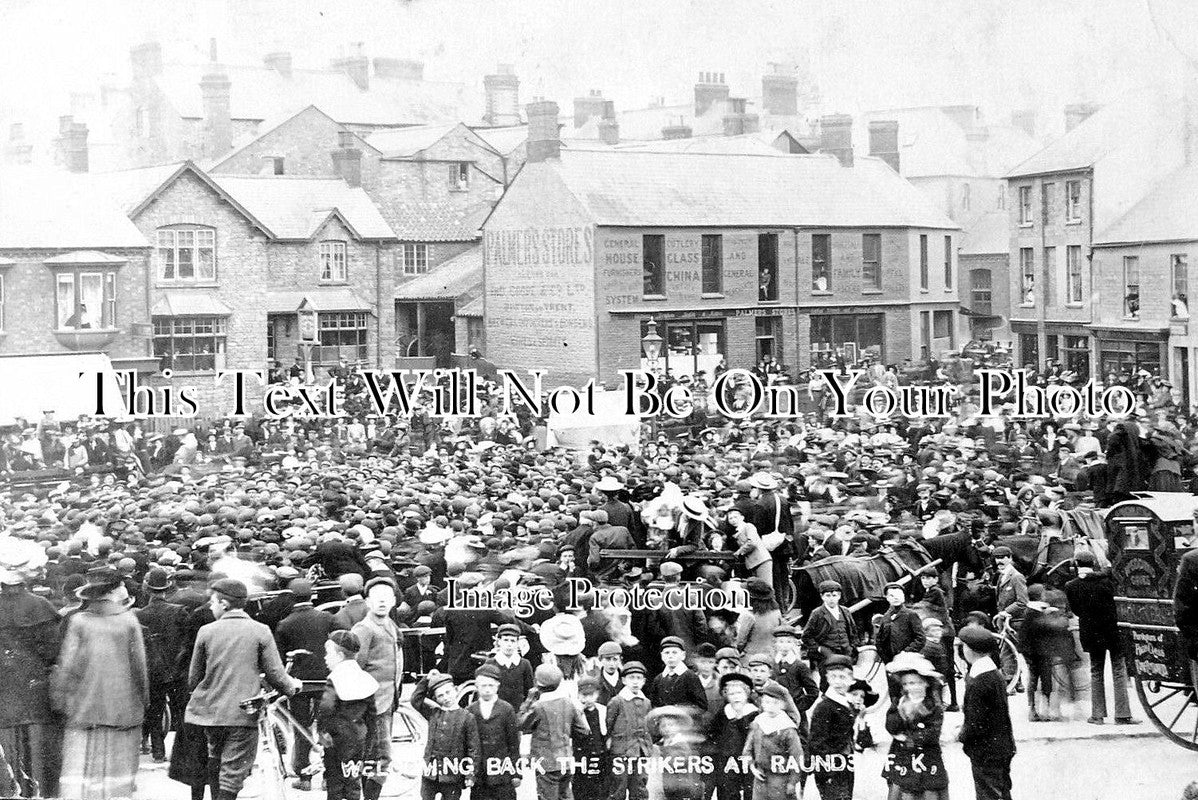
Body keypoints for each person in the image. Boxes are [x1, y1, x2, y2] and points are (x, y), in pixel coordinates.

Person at [185, 578, 301, 800]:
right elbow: (276, 674)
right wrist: (292, 688)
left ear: (224, 604)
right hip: (242, 712)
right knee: (232, 773)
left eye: (213, 602)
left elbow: (193, 679)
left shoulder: (206, 631)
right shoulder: (260, 631)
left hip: (210, 714)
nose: (211, 606)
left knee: (215, 758)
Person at [52, 567, 149, 800]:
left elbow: (68, 665)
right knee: (118, 770)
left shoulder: (78, 622)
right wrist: (144, 699)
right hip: (123, 706)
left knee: (84, 767)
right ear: (114, 591)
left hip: (85, 705)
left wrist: (60, 698)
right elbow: (140, 666)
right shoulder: (128, 621)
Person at [0, 560, 63, 798]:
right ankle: (42, 791)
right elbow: (53, 651)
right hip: (35, 684)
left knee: (6, 738)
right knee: (39, 742)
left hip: (4, 685)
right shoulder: (41, 606)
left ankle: (10, 789)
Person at [275, 577, 337, 789]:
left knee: (302, 728)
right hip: (325, 681)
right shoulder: (327, 618)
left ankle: (304, 777)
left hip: (299, 684)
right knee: (327, 728)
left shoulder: (284, 624)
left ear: (291, 599)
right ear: (313, 596)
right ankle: (330, 776)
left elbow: (281, 658)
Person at [1065, 552, 1139, 725]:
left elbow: (1075, 610)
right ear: (1093, 563)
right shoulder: (1106, 581)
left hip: (1090, 632)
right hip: (1112, 630)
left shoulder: (1071, 585)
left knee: (1096, 671)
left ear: (1076, 563)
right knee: (1119, 671)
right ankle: (1122, 714)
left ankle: (1097, 715)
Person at [352, 577, 402, 800]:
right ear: (368, 602)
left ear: (393, 601)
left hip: (388, 700)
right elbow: (355, 667)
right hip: (372, 703)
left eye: (386, 598)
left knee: (376, 755)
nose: (382, 602)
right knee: (380, 756)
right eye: (376, 599)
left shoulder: (390, 624)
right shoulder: (364, 628)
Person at [317, 630, 379, 800]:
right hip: (359, 738)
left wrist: (322, 732)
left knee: (335, 783)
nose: (325, 658)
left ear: (339, 655)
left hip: (336, 740)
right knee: (353, 781)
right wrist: (370, 738)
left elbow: (326, 708)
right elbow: (372, 714)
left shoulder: (335, 678)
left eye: (328, 654)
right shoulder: (364, 678)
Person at [136, 567, 188, 763]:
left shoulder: (139, 615)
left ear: (147, 590)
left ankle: (158, 752)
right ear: (167, 588)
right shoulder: (179, 612)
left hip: (153, 670)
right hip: (177, 669)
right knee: (180, 711)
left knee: (154, 712)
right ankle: (182, 754)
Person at [958, 626, 1015, 800]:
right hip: (1001, 746)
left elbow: (976, 722)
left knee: (988, 794)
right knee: (1002, 791)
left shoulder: (979, 681)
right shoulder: (994, 673)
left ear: (969, 649)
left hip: (985, 751)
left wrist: (961, 735)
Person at [881, 652, 948, 800]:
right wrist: (897, 711)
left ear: (926, 683)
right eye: (905, 684)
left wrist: (909, 739)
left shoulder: (933, 706)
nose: (909, 687)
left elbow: (932, 732)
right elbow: (891, 726)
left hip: (926, 756)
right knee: (902, 788)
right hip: (902, 755)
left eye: (914, 683)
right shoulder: (899, 702)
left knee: (928, 789)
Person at [519, 664, 589, 800]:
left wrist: (528, 700)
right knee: (565, 795)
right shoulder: (568, 702)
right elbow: (583, 730)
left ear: (538, 683)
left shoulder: (538, 707)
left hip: (546, 762)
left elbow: (522, 724)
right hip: (566, 759)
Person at [411, 672, 481, 800]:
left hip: (453, 773)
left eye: (448, 692)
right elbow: (416, 699)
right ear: (436, 699)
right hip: (430, 773)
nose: (446, 698)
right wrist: (426, 680)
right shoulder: (433, 713)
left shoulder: (467, 717)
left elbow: (474, 748)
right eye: (440, 696)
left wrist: (470, 774)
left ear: (455, 690)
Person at [806, 655, 857, 800]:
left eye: (842, 677)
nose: (838, 682)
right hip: (830, 767)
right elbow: (817, 742)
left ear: (850, 678)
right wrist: (827, 770)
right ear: (827, 679)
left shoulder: (847, 702)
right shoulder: (824, 707)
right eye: (833, 677)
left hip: (845, 762)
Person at [468, 664, 521, 800]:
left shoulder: (506, 709)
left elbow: (514, 743)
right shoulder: (470, 711)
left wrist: (516, 773)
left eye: (491, 685)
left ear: (497, 686)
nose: (487, 690)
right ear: (476, 686)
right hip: (480, 773)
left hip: (502, 771)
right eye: (483, 686)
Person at [743, 682, 803, 800]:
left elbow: (796, 756)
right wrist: (752, 768)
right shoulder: (758, 723)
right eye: (766, 702)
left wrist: (792, 782)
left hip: (781, 778)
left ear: (782, 705)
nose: (770, 706)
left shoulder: (787, 728)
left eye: (775, 703)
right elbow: (747, 749)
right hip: (760, 777)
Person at [607, 661, 653, 800]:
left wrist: (648, 748)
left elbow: (649, 727)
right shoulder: (617, 701)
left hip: (641, 752)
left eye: (639, 678)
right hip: (621, 752)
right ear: (624, 680)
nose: (635, 682)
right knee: (618, 787)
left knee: (639, 787)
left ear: (644, 681)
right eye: (631, 678)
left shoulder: (646, 702)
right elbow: (608, 725)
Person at [875, 583, 926, 701]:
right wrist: (886, 659)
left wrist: (905, 653)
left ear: (903, 596)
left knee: (909, 695)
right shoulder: (886, 617)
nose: (896, 598)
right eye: (891, 595)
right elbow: (879, 640)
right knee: (894, 695)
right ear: (887, 598)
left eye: (898, 594)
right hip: (891, 663)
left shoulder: (910, 615)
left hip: (908, 663)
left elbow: (920, 638)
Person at [802, 580, 858, 684]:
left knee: (846, 681)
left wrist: (852, 647)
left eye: (834, 595)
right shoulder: (817, 613)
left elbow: (853, 631)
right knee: (828, 682)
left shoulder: (845, 611)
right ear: (822, 597)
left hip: (845, 653)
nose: (831, 599)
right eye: (828, 595)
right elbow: (806, 636)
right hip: (826, 655)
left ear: (839, 596)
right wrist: (819, 649)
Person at [649, 636, 709, 711]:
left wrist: (679, 711)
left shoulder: (690, 677)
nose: (670, 656)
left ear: (683, 655)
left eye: (674, 652)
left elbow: (702, 706)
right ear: (662, 656)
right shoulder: (658, 679)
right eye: (667, 653)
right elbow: (654, 705)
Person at [487, 622, 535, 711]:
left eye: (512, 641)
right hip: (497, 711)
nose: (509, 644)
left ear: (517, 643)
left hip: (518, 711)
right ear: (499, 642)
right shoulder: (491, 663)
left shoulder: (524, 664)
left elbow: (529, 690)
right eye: (505, 640)